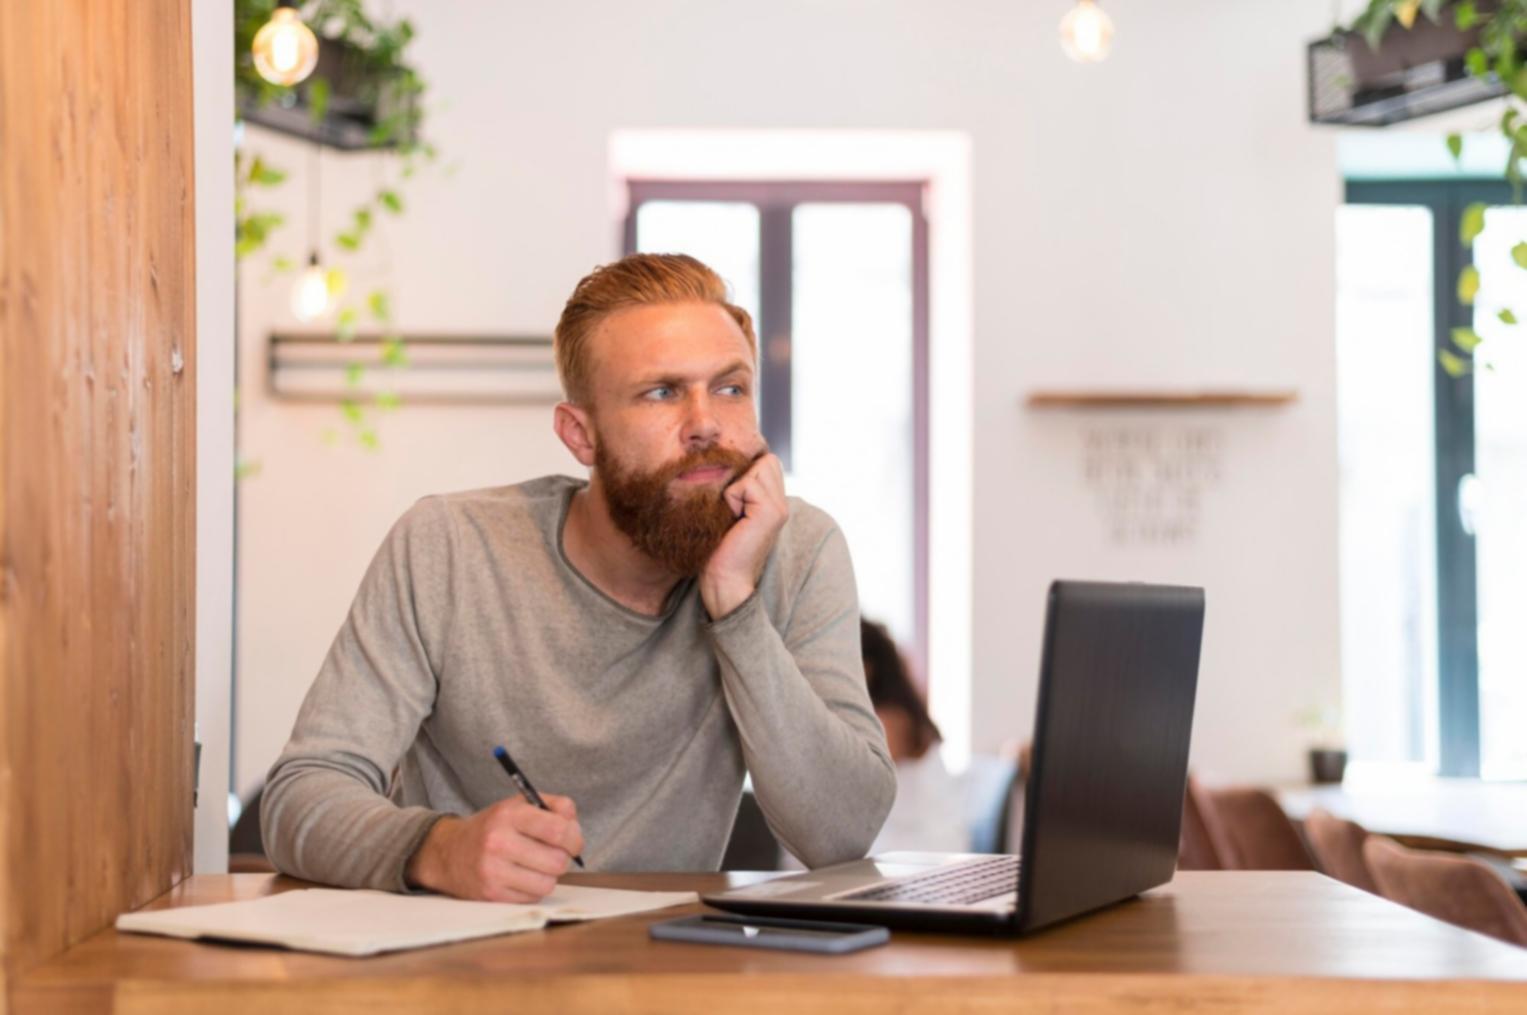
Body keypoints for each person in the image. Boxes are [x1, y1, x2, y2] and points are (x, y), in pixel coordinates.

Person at [261, 253, 895, 902]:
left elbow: (840, 834)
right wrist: (437, 847)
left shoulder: (796, 549)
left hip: (663, 970)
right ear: (579, 434)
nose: (705, 421)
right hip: (460, 967)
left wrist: (733, 604)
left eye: (729, 387)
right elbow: (299, 796)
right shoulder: (448, 546)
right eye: (662, 392)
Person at [859, 620, 966, 855]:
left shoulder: (892, 722)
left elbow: (854, 782)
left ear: (867, 667)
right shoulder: (900, 711)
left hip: (924, 847)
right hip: (910, 842)